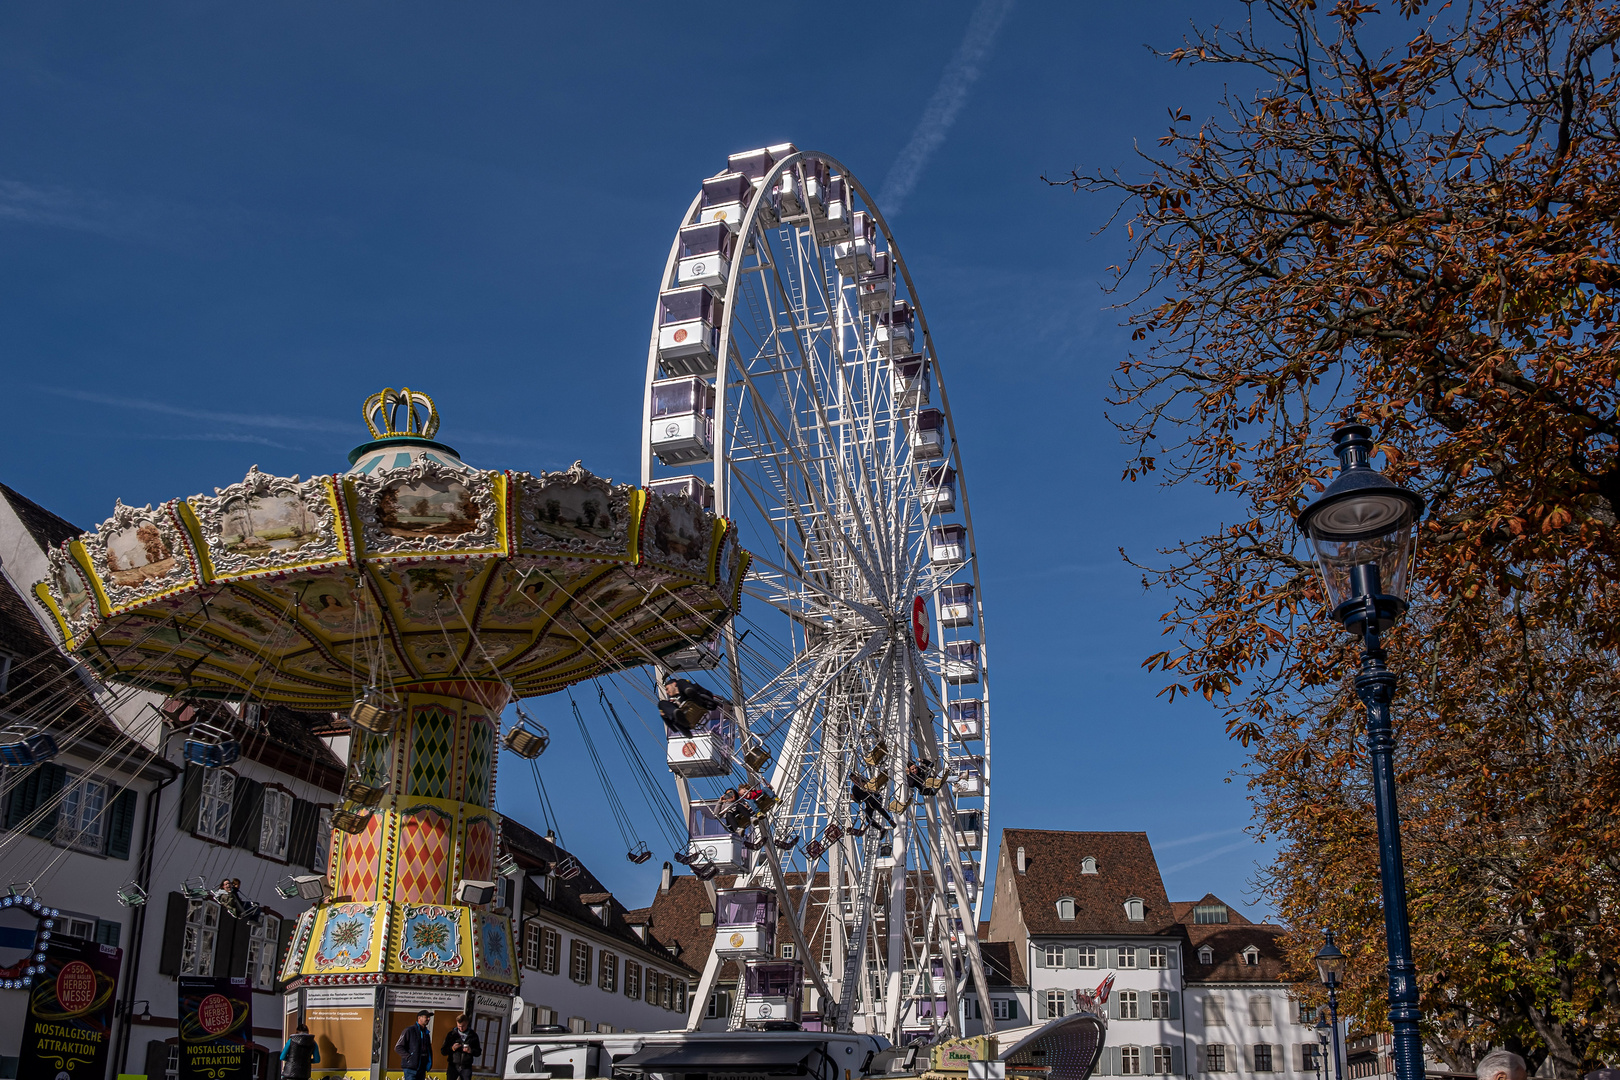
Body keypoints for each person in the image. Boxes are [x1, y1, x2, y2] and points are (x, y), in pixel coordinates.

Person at [659, 676, 724, 735]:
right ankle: (680, 721)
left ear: (674, 684)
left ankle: (691, 692)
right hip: (686, 718)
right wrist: (665, 716)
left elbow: (707, 693)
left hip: (700, 700)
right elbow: (673, 727)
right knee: (661, 704)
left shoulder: (680, 684)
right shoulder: (673, 701)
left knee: (681, 682)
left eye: (667, 688)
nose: (667, 692)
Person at [395, 1010, 435, 1080]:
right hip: (410, 1069)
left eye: (429, 1017)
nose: (428, 1019)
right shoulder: (409, 1030)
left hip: (422, 1068)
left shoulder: (426, 1033)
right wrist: (409, 1057)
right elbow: (398, 1047)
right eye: (426, 1017)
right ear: (419, 1018)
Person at [442, 1014, 482, 1080]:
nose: (461, 1028)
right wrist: (452, 1048)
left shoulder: (473, 1035)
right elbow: (443, 1051)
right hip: (453, 1066)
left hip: (466, 1067)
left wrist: (471, 1051)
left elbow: (478, 1052)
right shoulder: (451, 1034)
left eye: (463, 1026)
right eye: (459, 1026)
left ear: (467, 1023)